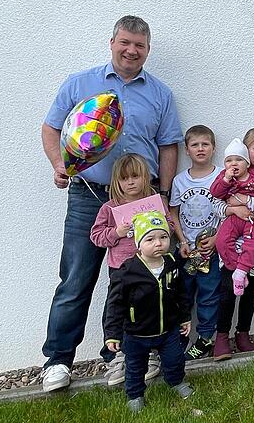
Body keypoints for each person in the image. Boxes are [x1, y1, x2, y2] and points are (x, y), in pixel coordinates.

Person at [40, 15, 182, 392]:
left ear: (148, 50)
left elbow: (169, 145)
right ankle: (57, 361)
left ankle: (118, 354)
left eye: (139, 45)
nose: (131, 51)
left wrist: (164, 195)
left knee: (135, 278)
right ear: (112, 42)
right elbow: (52, 127)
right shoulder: (80, 83)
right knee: (76, 277)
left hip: (143, 200)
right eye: (125, 43)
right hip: (90, 195)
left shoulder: (160, 94)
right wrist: (59, 164)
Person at [103, 211, 193, 413]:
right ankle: (135, 395)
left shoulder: (171, 264)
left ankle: (176, 382)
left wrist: (185, 317)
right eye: (150, 239)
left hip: (168, 330)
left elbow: (181, 293)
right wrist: (112, 334)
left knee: (175, 360)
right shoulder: (127, 271)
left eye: (163, 237)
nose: (158, 243)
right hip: (136, 333)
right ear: (138, 243)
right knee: (135, 367)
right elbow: (115, 304)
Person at [90, 153, 163, 384]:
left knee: (149, 308)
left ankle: (150, 354)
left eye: (135, 176)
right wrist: (117, 232)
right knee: (120, 310)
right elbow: (96, 236)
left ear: (145, 177)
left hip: (150, 266)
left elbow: (168, 225)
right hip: (121, 270)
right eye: (124, 179)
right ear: (116, 182)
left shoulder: (153, 202)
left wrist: (159, 227)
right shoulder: (109, 208)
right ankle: (119, 356)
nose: (130, 182)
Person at [214, 128, 254, 360]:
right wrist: (232, 208)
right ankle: (221, 338)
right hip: (232, 246)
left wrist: (242, 200)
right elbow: (217, 204)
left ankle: (243, 335)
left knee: (249, 292)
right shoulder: (232, 171)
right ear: (245, 149)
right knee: (226, 292)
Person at [169, 125, 226, 360]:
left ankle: (205, 338)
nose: (200, 149)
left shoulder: (222, 176)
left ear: (213, 148)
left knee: (209, 295)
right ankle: (178, 340)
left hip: (211, 251)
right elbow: (173, 211)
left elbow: (228, 211)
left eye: (205, 144)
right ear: (187, 150)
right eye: (195, 145)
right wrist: (181, 240)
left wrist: (217, 239)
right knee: (182, 296)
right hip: (186, 250)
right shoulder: (179, 181)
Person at [211, 138, 254, 293]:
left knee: (252, 245)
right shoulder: (225, 176)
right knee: (222, 240)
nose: (234, 164)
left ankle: (241, 271)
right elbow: (215, 194)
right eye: (229, 160)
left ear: (246, 162)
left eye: (238, 160)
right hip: (233, 219)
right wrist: (226, 180)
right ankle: (238, 271)